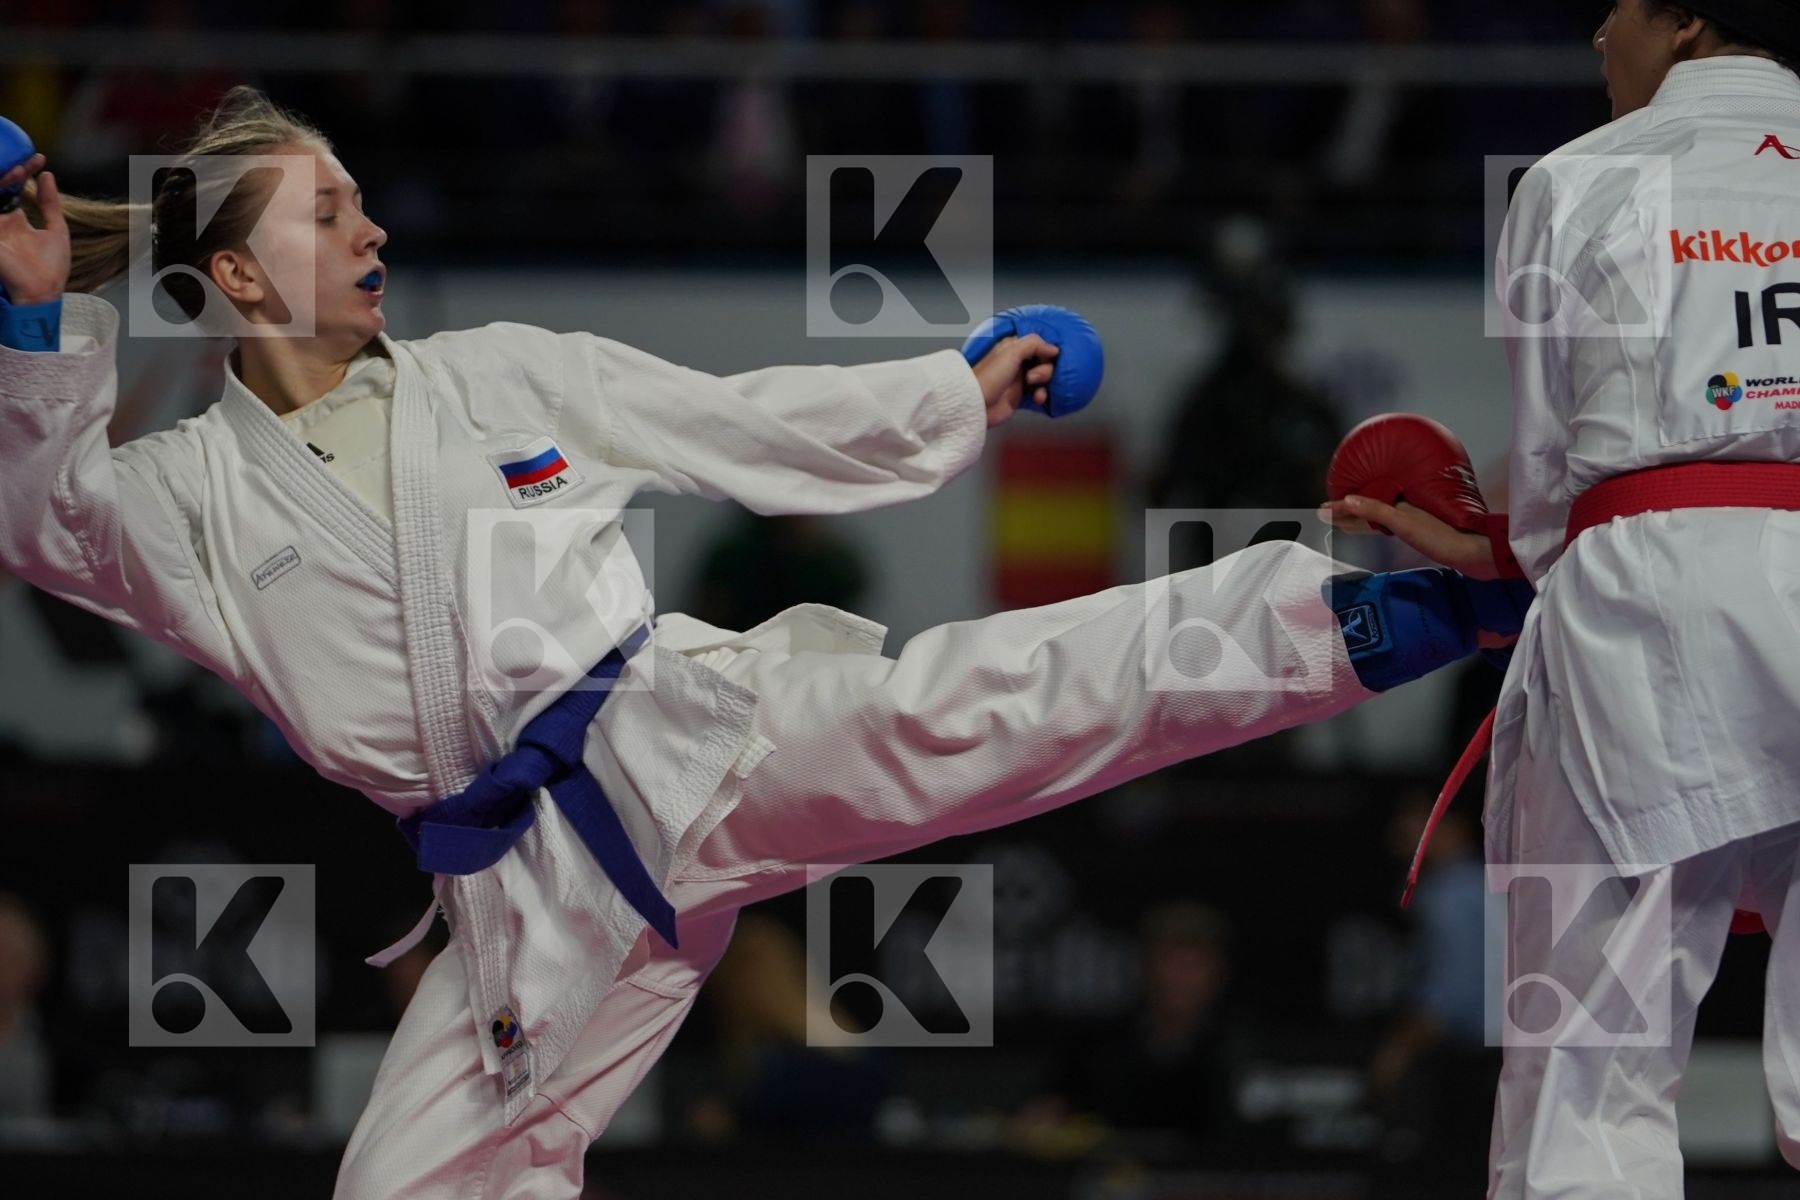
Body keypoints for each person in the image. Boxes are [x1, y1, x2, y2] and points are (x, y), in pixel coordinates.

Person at [0, 88, 1511, 1199]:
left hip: (682, 732)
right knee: (408, 1188)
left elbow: (734, 419)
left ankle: (1377, 613)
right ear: (246, 277)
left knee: (975, 708)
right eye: (326, 211)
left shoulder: (499, 376)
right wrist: (24, 318)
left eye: (362, 196)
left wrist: (951, 388)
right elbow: (39, 511)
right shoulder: (186, 498)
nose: (374, 222)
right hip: (529, 896)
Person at [1325, 3, 1800, 1194]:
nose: (1597, 32)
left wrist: (1505, 547)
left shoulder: (1578, 181)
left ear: (1688, 21)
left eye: (1621, 6)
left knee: (1592, 1060)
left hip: (1653, 599)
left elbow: (1546, 495)